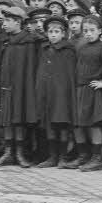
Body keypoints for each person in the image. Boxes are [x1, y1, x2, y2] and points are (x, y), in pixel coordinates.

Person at [0, 6, 40, 168]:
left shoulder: (29, 42)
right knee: (7, 120)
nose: (4, 24)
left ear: (18, 22)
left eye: (8, 21)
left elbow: (31, 68)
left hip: (22, 87)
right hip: (5, 86)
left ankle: (19, 153)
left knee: (19, 119)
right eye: (4, 20)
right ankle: (8, 152)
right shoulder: (4, 41)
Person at [72, 14, 102, 171]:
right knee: (78, 124)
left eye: (92, 30)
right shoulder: (81, 48)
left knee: (94, 124)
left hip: (93, 91)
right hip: (79, 89)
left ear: (99, 31)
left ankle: (97, 157)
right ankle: (83, 155)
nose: (88, 33)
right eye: (85, 30)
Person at [34, 14, 77, 168]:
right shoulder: (44, 49)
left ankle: (63, 156)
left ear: (63, 33)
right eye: (50, 32)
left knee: (62, 124)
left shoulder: (69, 50)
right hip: (46, 92)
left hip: (62, 94)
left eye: (56, 32)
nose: (53, 35)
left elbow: (70, 75)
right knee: (48, 124)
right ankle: (52, 156)